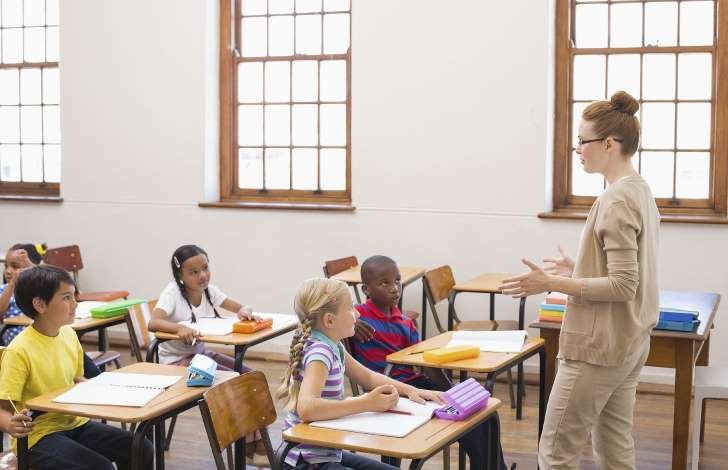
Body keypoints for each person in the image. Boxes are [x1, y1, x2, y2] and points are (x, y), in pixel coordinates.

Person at [500, 90, 660, 469]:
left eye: (582, 141)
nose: (577, 149)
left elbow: (624, 286)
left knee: (556, 452)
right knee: (614, 446)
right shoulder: (639, 190)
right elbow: (626, 272)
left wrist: (551, 284)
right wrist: (579, 268)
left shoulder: (617, 200)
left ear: (608, 144)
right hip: (630, 341)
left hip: (599, 347)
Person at [276, 278, 444, 470]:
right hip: (304, 462)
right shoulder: (319, 353)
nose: (356, 313)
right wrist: (367, 403)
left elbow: (369, 377)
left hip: (323, 454)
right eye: (350, 308)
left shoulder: (334, 346)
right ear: (329, 320)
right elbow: (307, 408)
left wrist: (411, 389)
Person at [349, 255, 496, 470]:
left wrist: (451, 392)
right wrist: (353, 316)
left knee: (484, 415)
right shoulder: (359, 317)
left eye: (398, 281)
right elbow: (323, 309)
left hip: (417, 385)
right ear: (366, 290)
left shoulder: (405, 323)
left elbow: (424, 361)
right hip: (390, 391)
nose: (394, 288)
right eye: (384, 283)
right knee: (471, 422)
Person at [0, 265, 153, 469]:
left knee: (140, 447)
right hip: (37, 436)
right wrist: (9, 424)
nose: (75, 304)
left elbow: (76, 379)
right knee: (101, 467)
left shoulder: (69, 335)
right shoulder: (19, 350)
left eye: (74, 296)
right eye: (66, 298)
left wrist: (100, 388)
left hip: (73, 423)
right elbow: (2, 407)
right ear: (39, 304)